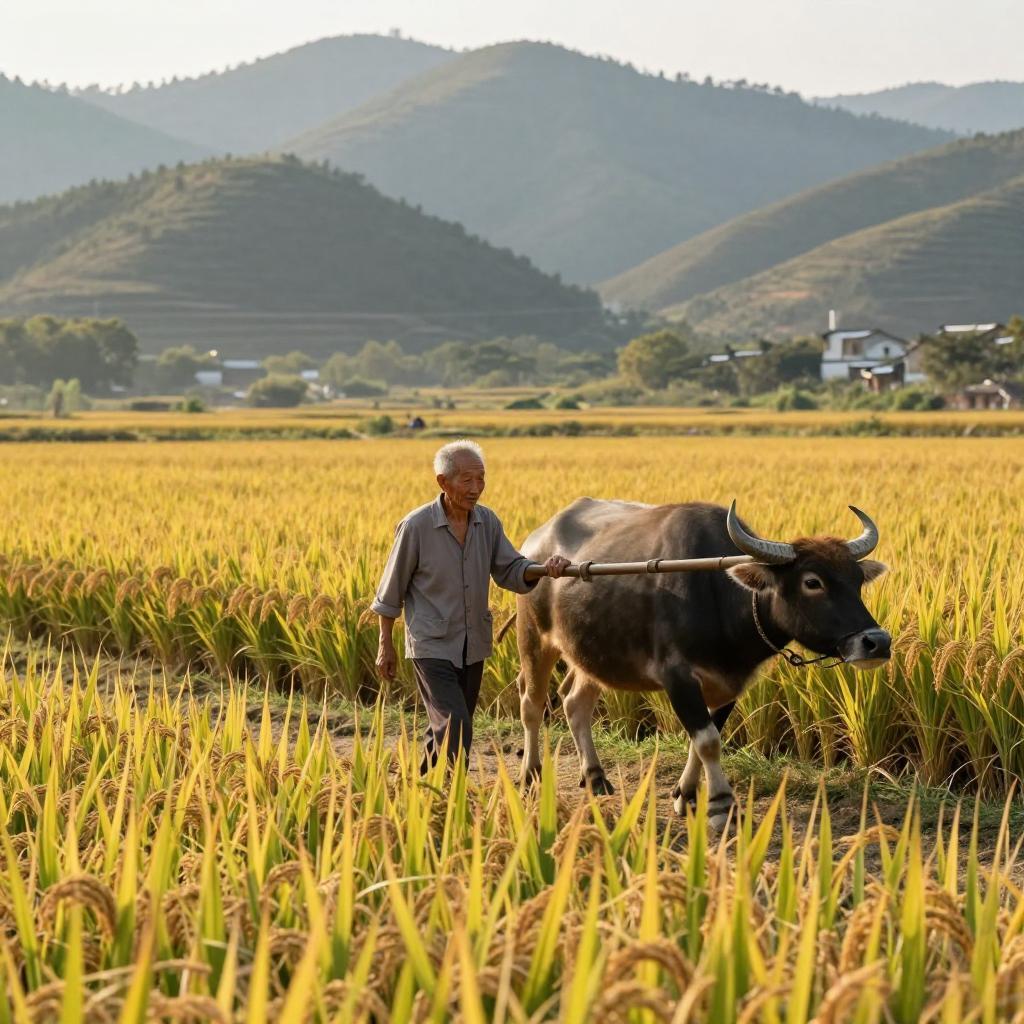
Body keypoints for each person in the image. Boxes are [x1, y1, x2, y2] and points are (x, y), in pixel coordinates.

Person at [372, 439, 570, 770]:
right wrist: (385, 645)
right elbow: (390, 591)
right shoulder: (416, 526)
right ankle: (452, 800)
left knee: (448, 729)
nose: (476, 487)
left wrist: (545, 568)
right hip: (430, 644)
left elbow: (510, 569)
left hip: (472, 642)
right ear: (443, 482)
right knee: (455, 724)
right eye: (467, 479)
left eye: (481, 479)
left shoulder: (487, 522)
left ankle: (426, 791)